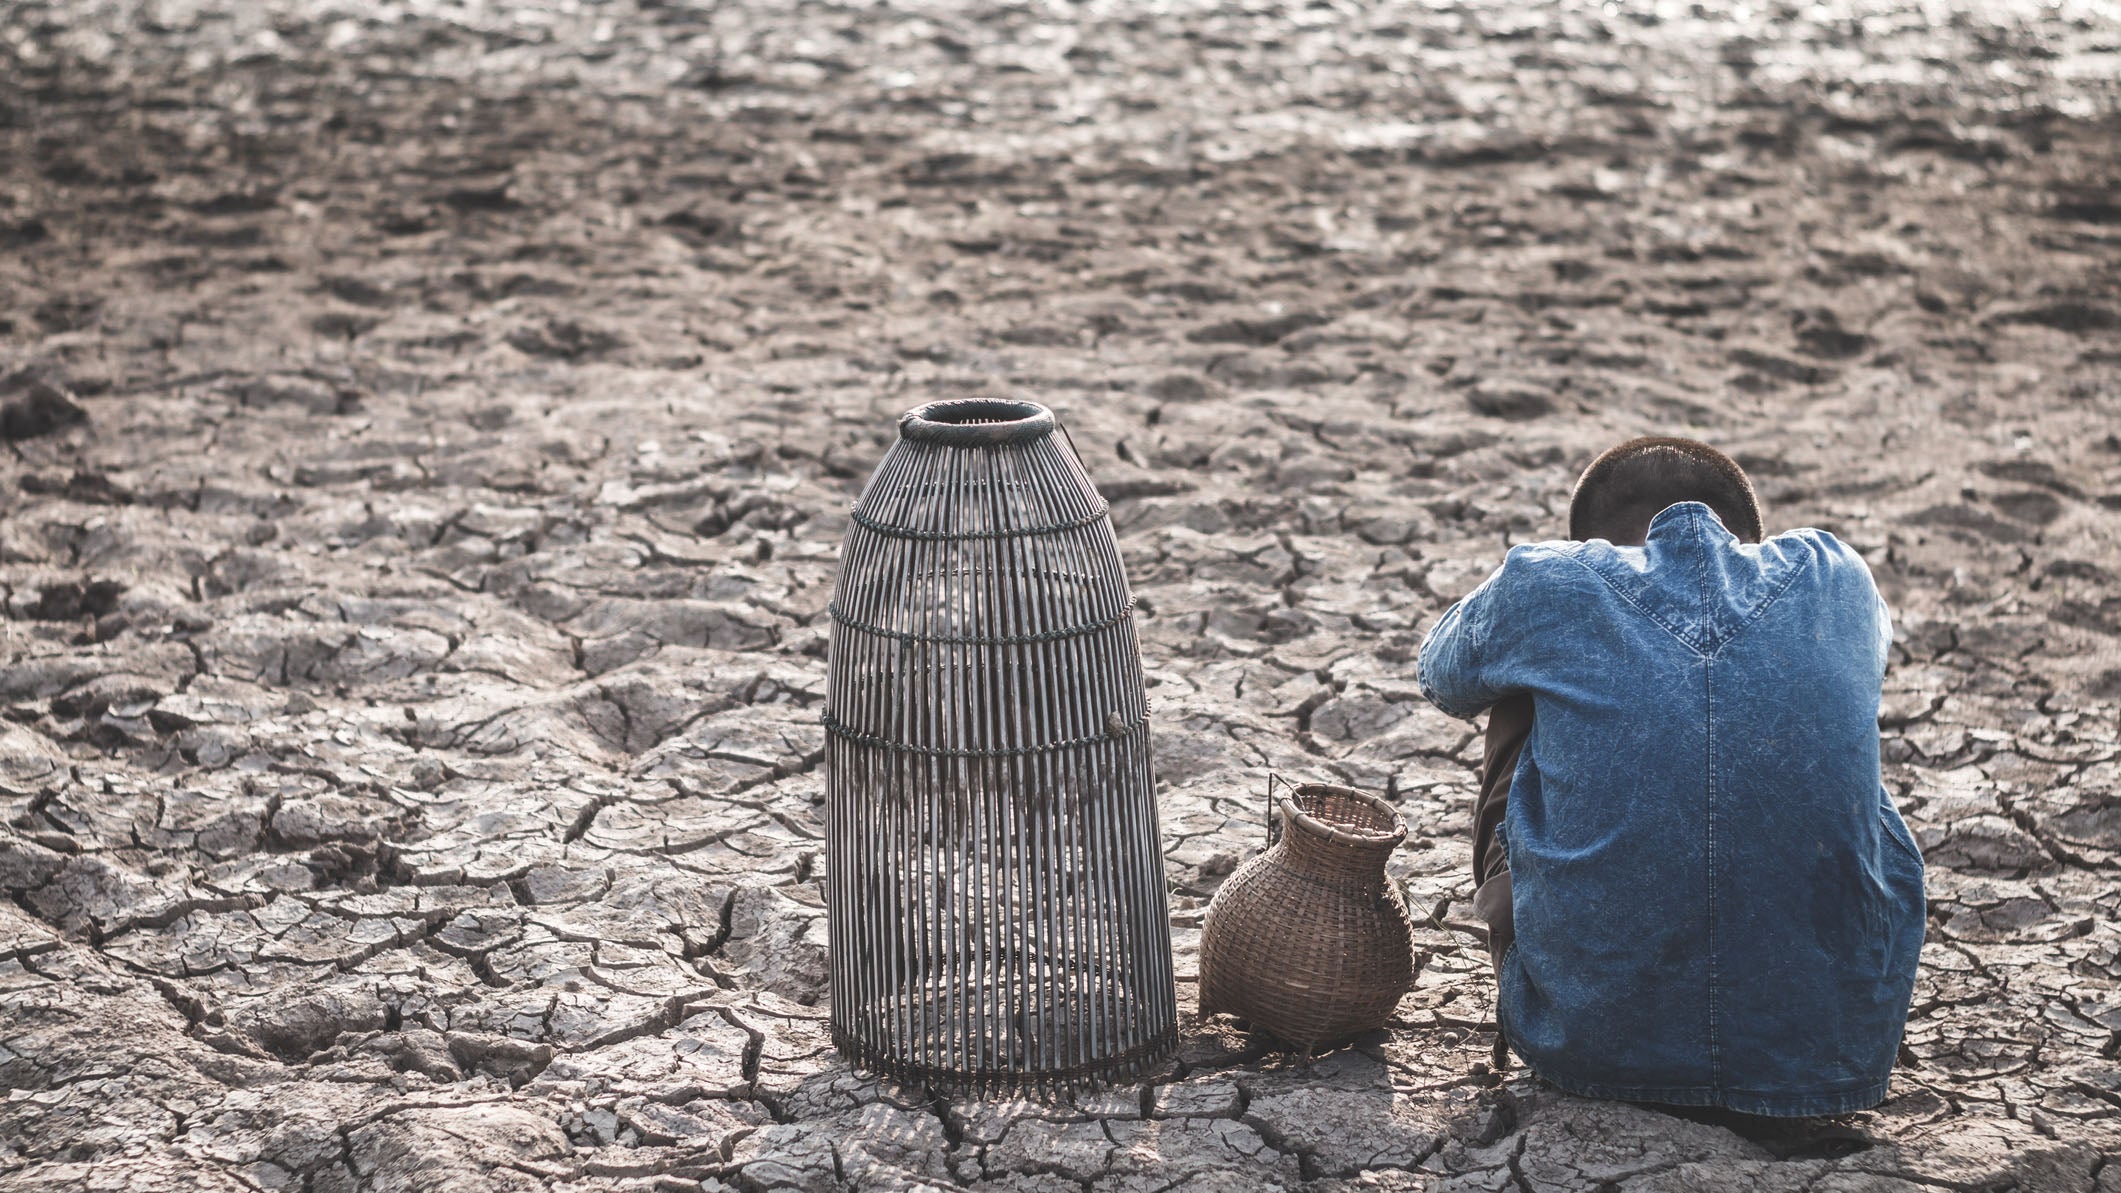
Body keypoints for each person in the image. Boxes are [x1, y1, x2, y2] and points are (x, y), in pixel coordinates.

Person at [1416, 436, 1925, 1117]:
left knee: (1515, 690)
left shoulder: (1551, 580)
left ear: (1591, 544)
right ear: (1746, 539)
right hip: (1829, 1059)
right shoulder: (1833, 572)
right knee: (1806, 717)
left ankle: (1549, 984)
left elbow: (1442, 677)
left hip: (1582, 1043)